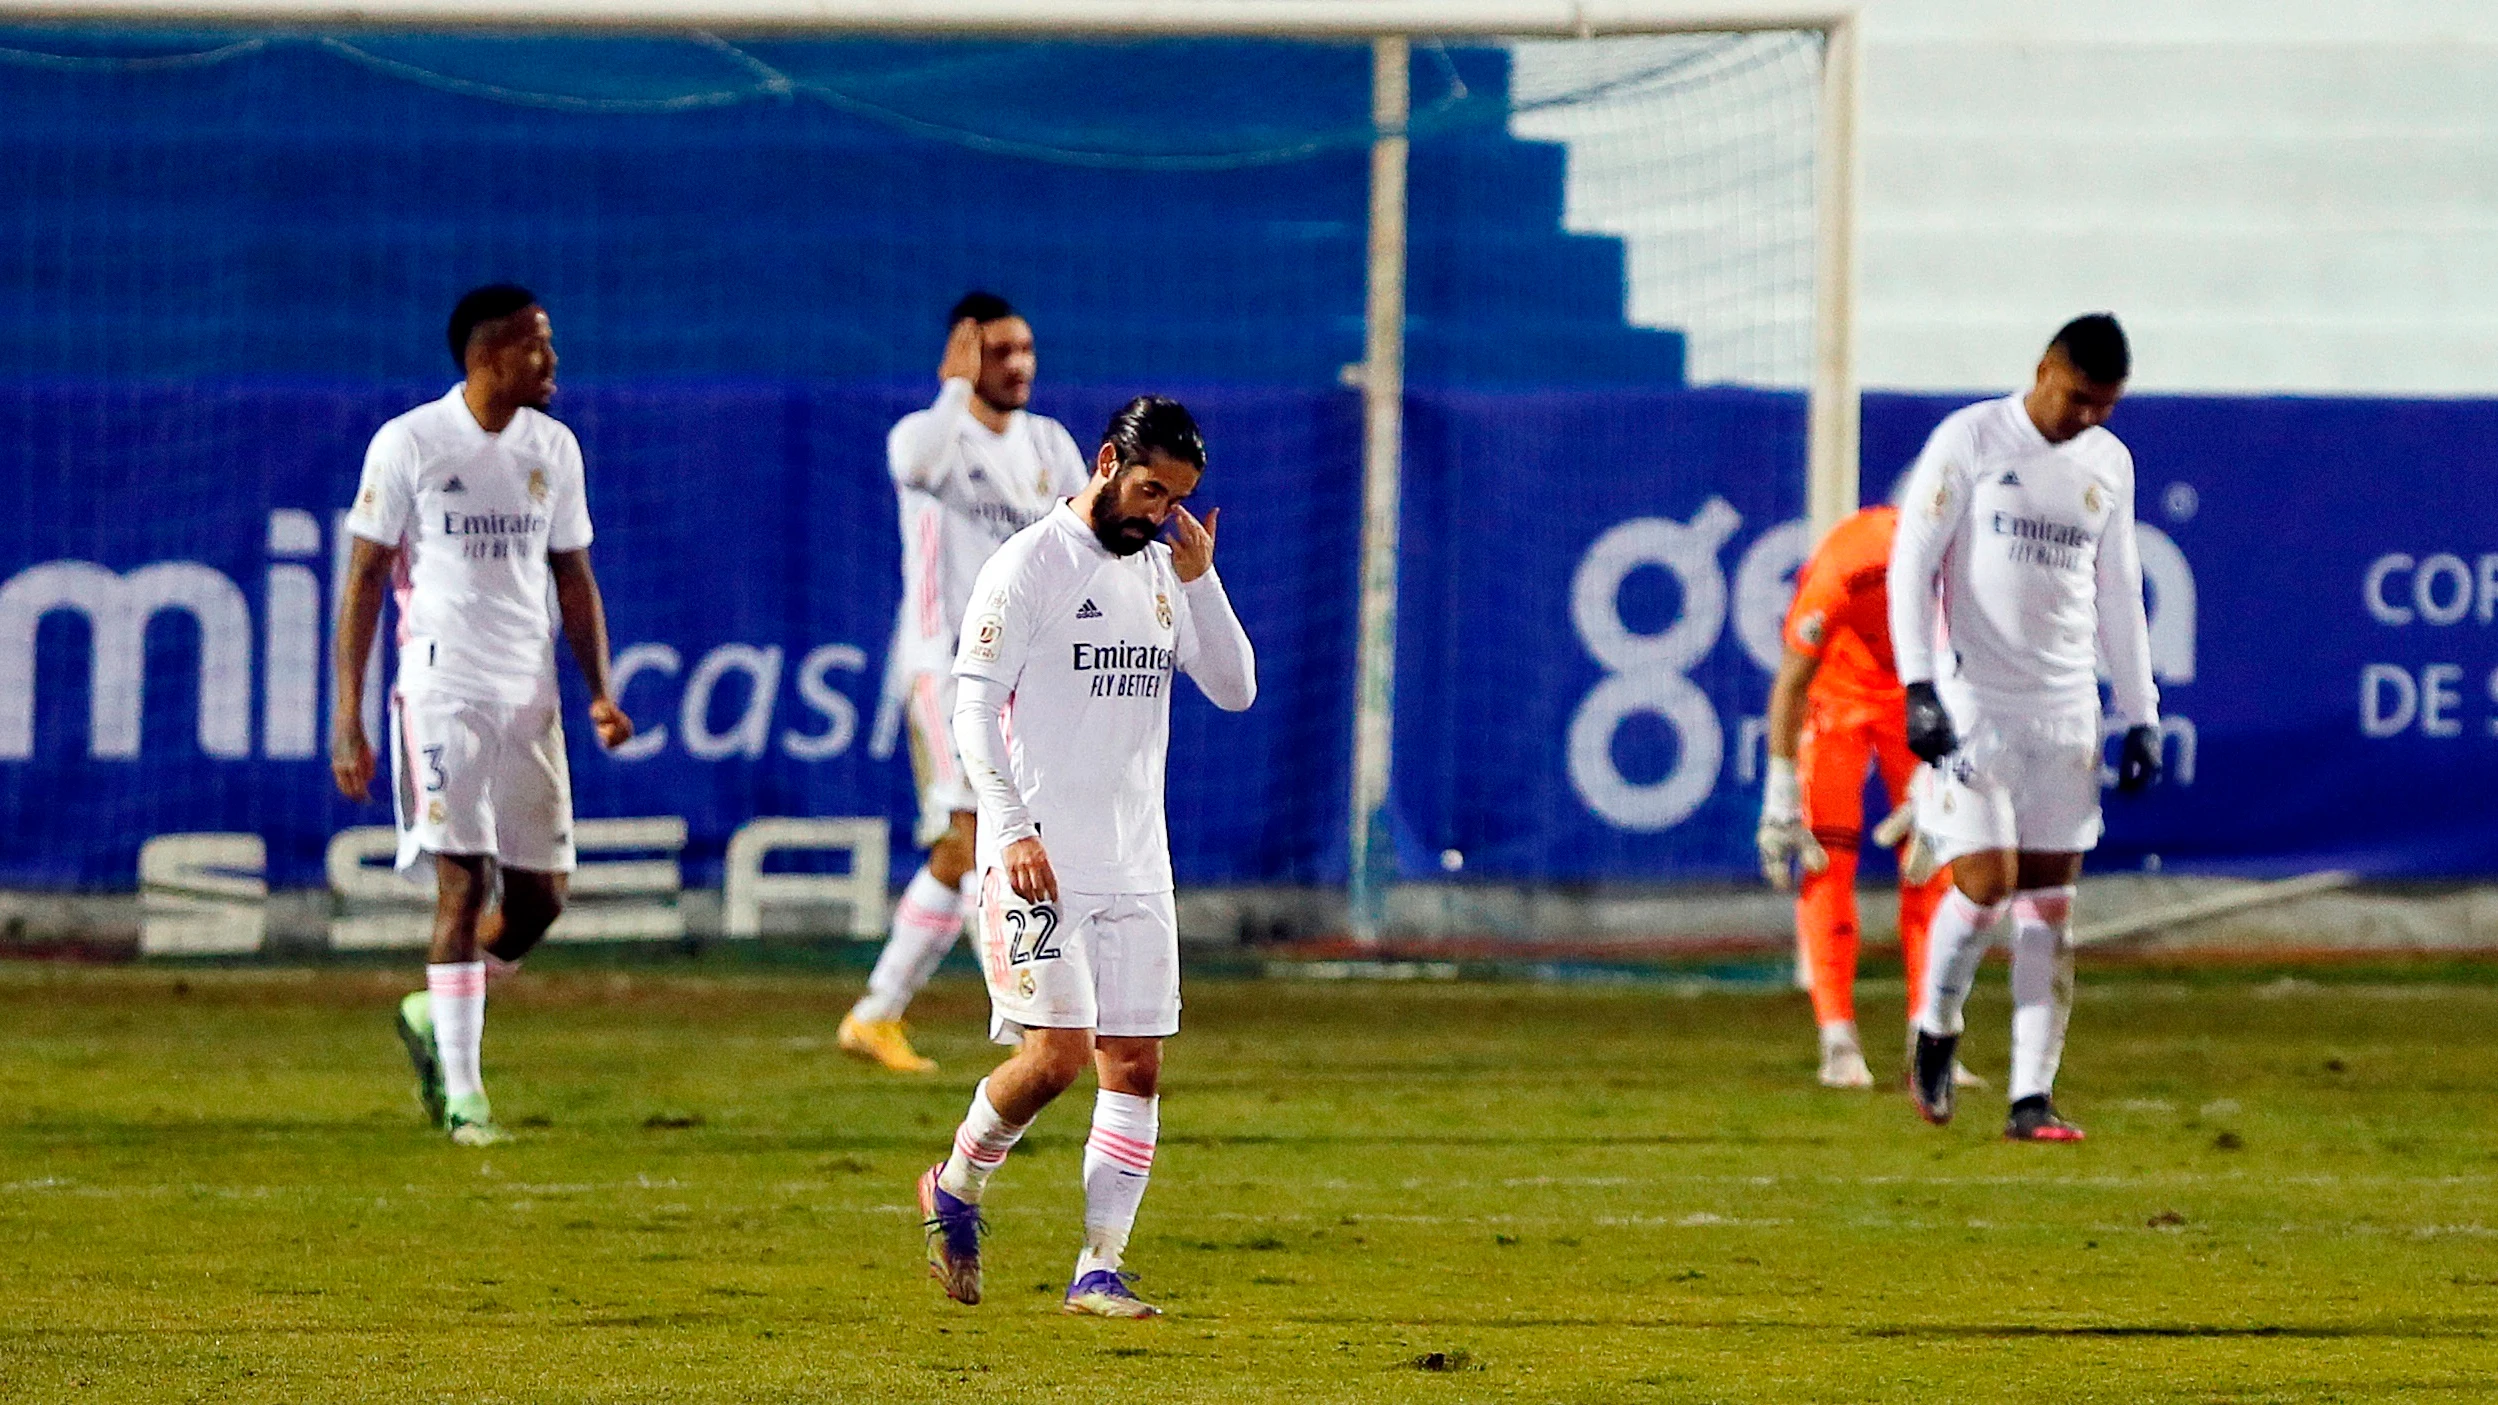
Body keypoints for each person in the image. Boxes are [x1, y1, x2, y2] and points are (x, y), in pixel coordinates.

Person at [915, 396, 1255, 1320]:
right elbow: (974, 709)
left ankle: (1098, 1267)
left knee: (1134, 1065)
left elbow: (1235, 687)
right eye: (1150, 490)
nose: (1158, 513)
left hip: (1139, 863)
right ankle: (957, 1181)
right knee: (1058, 1055)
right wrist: (1012, 827)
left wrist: (1200, 580)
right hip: (1040, 860)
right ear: (1107, 461)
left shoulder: (1162, 570)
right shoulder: (1028, 565)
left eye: (1177, 498)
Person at [332, 284, 634, 1148]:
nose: (553, 360)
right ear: (487, 354)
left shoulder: (553, 447)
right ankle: (465, 1096)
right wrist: (346, 718)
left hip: (527, 689)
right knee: (462, 882)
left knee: (541, 898)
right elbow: (361, 580)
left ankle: (439, 1006)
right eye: (538, 344)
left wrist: (598, 690)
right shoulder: (411, 442)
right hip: (439, 686)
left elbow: (572, 576)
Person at [1886, 312, 2162, 1143]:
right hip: (1975, 704)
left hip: (2066, 710)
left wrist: (2141, 712)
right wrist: (1918, 686)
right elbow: (1913, 561)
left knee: (2050, 908)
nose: (2087, 417)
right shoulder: (1970, 439)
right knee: (1985, 882)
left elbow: (2118, 590)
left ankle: (2030, 1098)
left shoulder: (2109, 464)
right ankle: (1935, 1028)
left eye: (2104, 406)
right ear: (2045, 368)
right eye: (2079, 397)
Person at [844, 292, 1092, 1073]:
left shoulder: (1050, 444)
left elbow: (1080, 550)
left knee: (978, 845)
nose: (1018, 364)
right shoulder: (933, 436)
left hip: (1028, 673)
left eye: (1025, 349)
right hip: (945, 666)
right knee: (972, 837)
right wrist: (953, 386)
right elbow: (907, 461)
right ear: (963, 355)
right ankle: (1015, 1024)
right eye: (998, 351)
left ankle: (880, 1012)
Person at [1757, 504, 1964, 1089]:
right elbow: (1792, 680)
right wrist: (1779, 796)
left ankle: (1931, 1034)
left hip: (1916, 702)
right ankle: (1838, 1038)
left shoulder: (1961, 568)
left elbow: (1970, 678)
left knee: (1934, 864)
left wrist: (1935, 779)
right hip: (1837, 697)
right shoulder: (1844, 568)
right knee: (1827, 855)